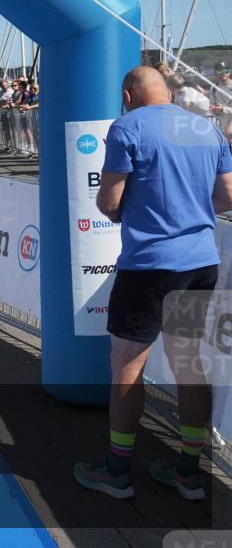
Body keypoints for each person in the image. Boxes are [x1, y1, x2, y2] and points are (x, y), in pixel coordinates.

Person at [75, 66, 232, 501]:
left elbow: (109, 201)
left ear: (128, 95)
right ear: (168, 92)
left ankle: (118, 471)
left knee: (127, 365)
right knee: (188, 362)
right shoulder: (206, 128)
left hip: (149, 266)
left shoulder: (127, 127)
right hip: (200, 262)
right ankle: (188, 472)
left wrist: (130, 212)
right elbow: (227, 197)